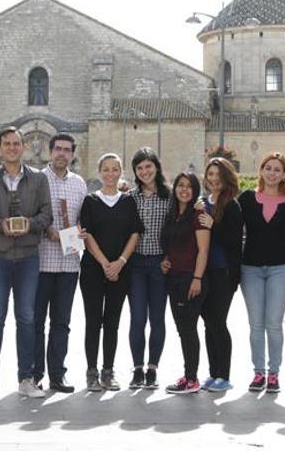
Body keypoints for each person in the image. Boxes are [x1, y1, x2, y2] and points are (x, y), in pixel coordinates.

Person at [0, 126, 52, 399]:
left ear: (24, 146)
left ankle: (26, 379)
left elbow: (46, 215)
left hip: (28, 257)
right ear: (0, 148)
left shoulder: (39, 180)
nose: (12, 148)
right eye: (7, 144)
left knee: (27, 318)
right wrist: (0, 225)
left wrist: (29, 224)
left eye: (17, 143)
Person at [79, 153, 143, 392]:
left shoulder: (128, 201)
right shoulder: (90, 201)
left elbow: (134, 234)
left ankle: (108, 370)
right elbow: (87, 236)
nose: (110, 173)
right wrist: (106, 264)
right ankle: (91, 372)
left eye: (115, 169)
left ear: (121, 172)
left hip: (121, 270)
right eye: (105, 169)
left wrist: (120, 262)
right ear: (99, 172)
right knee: (93, 321)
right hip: (93, 270)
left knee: (112, 322)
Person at [238, 152, 285, 393]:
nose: (272, 173)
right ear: (261, 170)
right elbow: (228, 222)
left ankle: (273, 374)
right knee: (255, 324)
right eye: (268, 168)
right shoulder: (246, 199)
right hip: (250, 268)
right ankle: (258, 373)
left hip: (281, 269)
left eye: (277, 169)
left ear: (284, 174)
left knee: (273, 323)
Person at [34, 134, 87, 393]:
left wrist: (72, 236)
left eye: (67, 150)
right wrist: (48, 231)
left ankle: (57, 374)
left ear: (72, 154)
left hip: (69, 265)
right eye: (58, 149)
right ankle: (34, 375)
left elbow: (84, 221)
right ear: (50, 150)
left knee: (61, 323)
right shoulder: (36, 179)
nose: (62, 154)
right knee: (35, 322)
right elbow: (30, 214)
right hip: (41, 263)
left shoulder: (79, 184)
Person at [160, 172, 212, 394]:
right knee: (183, 330)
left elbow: (203, 250)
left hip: (191, 279)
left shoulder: (198, 214)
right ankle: (189, 376)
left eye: (189, 186)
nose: (184, 189)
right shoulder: (172, 215)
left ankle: (192, 379)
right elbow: (170, 246)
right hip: (174, 278)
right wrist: (165, 260)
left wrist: (197, 278)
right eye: (180, 185)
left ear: (195, 190)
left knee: (189, 330)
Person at [126, 147, 173, 390]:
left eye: (148, 166)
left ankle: (152, 368)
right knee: (137, 318)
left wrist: (169, 257)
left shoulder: (170, 196)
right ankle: (137, 368)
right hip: (135, 264)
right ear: (135, 171)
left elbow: (178, 231)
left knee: (157, 318)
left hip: (159, 265)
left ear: (156, 167)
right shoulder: (130, 197)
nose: (144, 171)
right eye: (140, 168)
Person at [198, 157, 243, 393]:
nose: (213, 179)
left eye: (218, 175)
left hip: (224, 272)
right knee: (207, 323)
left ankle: (224, 375)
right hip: (204, 271)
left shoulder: (231, 205)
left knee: (218, 321)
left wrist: (213, 223)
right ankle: (213, 372)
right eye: (210, 174)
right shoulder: (203, 202)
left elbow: (234, 241)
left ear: (226, 178)